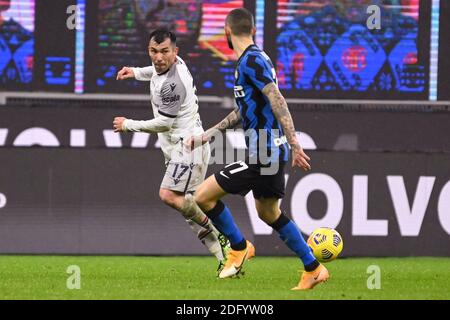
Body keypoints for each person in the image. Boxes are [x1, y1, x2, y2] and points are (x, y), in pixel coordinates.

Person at [186, 8, 329, 290]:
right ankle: (313, 267)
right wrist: (208, 136)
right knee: (268, 213)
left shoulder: (251, 60)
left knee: (202, 196)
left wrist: (294, 142)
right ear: (252, 29)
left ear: (227, 32)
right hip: (270, 153)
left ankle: (239, 248)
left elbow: (276, 98)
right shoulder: (251, 61)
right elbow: (243, 110)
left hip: (265, 154)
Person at [113, 28, 229, 273]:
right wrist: (134, 72)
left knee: (168, 195)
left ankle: (225, 238)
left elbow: (163, 123)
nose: (158, 57)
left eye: (164, 51)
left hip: (189, 145)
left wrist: (128, 125)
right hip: (180, 147)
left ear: (175, 52)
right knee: (188, 206)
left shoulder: (173, 84)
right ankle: (225, 258)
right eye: (153, 51)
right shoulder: (167, 66)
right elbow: (153, 72)